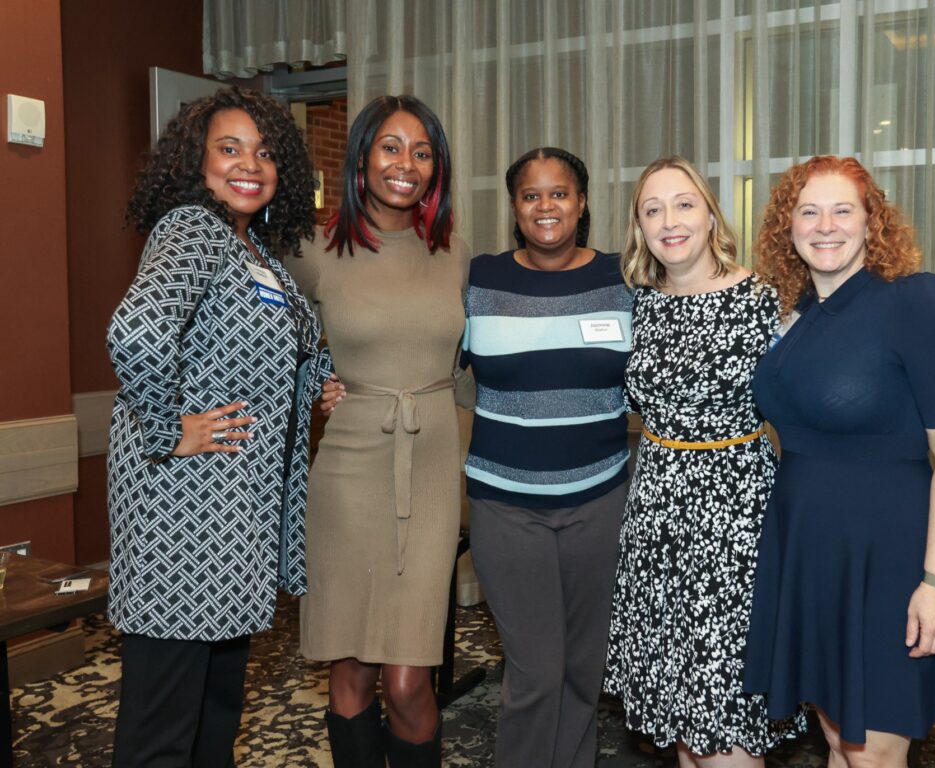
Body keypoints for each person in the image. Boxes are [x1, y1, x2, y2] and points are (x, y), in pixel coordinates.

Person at [742, 155, 935, 767]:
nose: (825, 226)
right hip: (809, 552)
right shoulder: (793, 311)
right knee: (838, 738)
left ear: (870, 222)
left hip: (889, 556)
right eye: (809, 211)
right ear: (788, 225)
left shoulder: (913, 301)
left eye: (842, 210)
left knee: (874, 752)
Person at [107, 87, 322, 767]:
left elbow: (285, 350)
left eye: (263, 152)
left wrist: (320, 384)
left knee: (213, 717)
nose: (249, 164)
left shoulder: (252, 249)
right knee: (163, 730)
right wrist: (170, 430)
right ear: (193, 163)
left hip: (234, 525)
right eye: (229, 149)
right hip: (184, 519)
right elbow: (135, 332)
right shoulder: (193, 229)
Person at [287, 94, 469, 768]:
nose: (407, 164)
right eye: (391, 147)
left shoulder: (453, 251)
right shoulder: (316, 249)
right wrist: (318, 387)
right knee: (352, 669)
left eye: (422, 152)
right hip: (348, 475)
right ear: (362, 158)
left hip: (426, 471)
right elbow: (270, 336)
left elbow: (472, 355)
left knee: (409, 676)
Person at [604, 156, 802, 767]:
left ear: (711, 214)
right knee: (689, 731)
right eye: (653, 208)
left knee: (725, 725)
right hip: (658, 515)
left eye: (684, 203)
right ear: (639, 226)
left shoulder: (766, 300)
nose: (671, 221)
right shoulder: (637, 305)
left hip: (736, 519)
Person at [460, 147, 632, 768]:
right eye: (531, 195)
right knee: (535, 672)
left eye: (559, 192)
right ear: (514, 207)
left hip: (600, 500)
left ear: (582, 203)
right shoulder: (480, 279)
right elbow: (421, 358)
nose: (545, 206)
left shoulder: (624, 278)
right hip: (506, 506)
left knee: (586, 668)